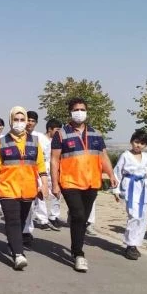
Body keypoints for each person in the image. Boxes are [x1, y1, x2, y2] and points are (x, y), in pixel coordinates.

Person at [50, 98, 118, 273]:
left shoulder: (96, 134)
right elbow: (54, 160)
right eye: (76, 109)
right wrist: (55, 184)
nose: (79, 112)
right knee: (79, 215)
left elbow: (103, 156)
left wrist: (111, 174)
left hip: (92, 182)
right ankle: (78, 254)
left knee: (82, 219)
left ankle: (76, 242)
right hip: (69, 182)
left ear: (86, 112)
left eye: (82, 109)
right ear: (70, 112)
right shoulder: (61, 134)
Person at [0, 107, 49, 271]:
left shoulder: (34, 141)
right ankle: (18, 254)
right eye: (16, 119)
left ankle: (12, 243)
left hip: (28, 188)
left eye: (22, 120)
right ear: (10, 121)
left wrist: (44, 184)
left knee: (21, 220)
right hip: (7, 187)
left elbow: (40, 165)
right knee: (13, 220)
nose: (20, 123)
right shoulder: (2, 142)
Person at [113, 129, 147, 260]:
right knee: (134, 216)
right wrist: (116, 190)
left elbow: (145, 170)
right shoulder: (125, 155)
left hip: (144, 188)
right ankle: (130, 245)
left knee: (143, 217)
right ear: (131, 141)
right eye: (136, 142)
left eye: (142, 143)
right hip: (130, 188)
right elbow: (117, 173)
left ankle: (136, 243)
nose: (138, 145)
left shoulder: (146, 157)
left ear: (146, 145)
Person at [21, 111, 57, 236]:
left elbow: (48, 157)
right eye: (28, 120)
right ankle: (25, 230)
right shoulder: (17, 136)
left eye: (33, 121)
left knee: (39, 199)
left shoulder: (41, 138)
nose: (30, 123)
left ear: (36, 123)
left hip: (40, 173)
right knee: (26, 203)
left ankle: (40, 222)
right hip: (23, 173)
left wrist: (45, 179)